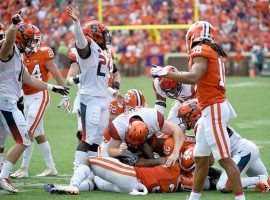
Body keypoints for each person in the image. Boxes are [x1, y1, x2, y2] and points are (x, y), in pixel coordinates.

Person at [151, 21, 245, 200]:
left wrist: (166, 73)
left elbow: (194, 76)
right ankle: (194, 198)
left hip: (214, 108)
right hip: (210, 108)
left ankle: (240, 198)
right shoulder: (211, 50)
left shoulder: (200, 49)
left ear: (192, 36)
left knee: (225, 159)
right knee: (201, 159)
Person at [0, 13, 68, 193]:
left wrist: (54, 89)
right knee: (26, 137)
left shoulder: (21, 55)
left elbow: (28, 79)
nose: (33, 45)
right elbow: (7, 44)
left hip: (18, 99)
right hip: (8, 101)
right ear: (20, 40)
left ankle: (9, 170)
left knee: (10, 138)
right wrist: (13, 27)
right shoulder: (8, 50)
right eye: (29, 41)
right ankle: (6, 174)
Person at [66, 5, 115, 169]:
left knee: (98, 138)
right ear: (94, 36)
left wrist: (114, 93)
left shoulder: (105, 52)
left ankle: (91, 170)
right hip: (90, 98)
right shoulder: (88, 49)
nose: (106, 37)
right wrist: (77, 22)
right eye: (103, 34)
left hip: (103, 98)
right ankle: (76, 170)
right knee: (87, 137)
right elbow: (80, 42)